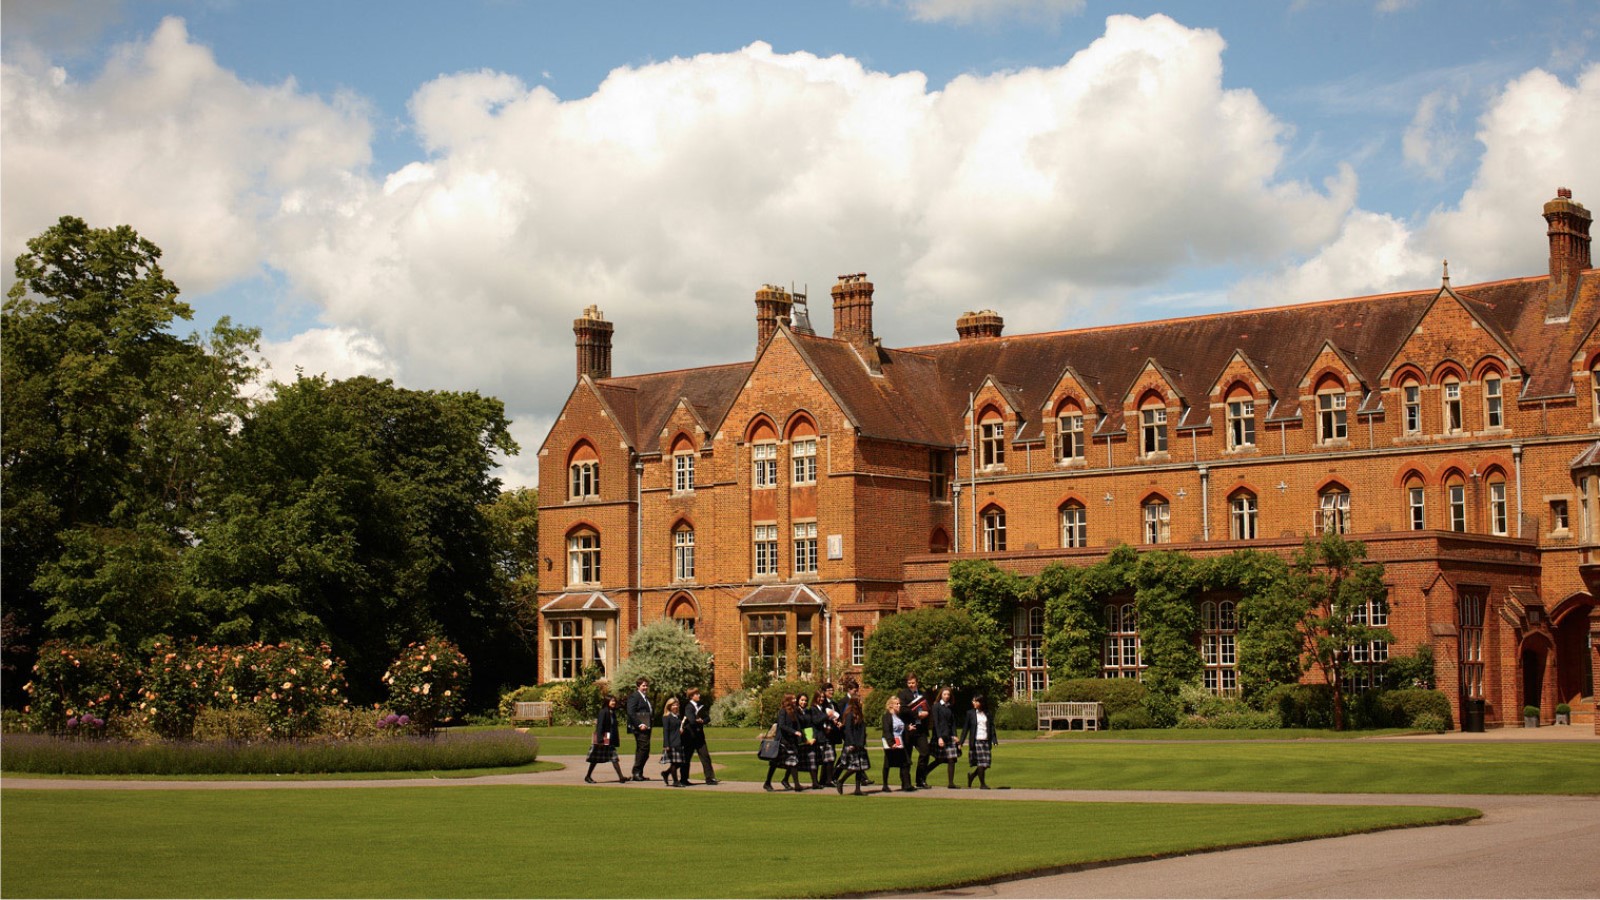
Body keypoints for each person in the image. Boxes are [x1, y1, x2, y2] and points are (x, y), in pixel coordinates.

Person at [898, 674, 934, 789]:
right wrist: (917, 714)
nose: (911, 685)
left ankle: (920, 780)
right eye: (909, 683)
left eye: (913, 683)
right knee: (906, 756)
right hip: (908, 728)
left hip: (920, 729)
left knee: (925, 752)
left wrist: (926, 713)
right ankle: (906, 782)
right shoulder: (903, 694)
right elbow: (902, 709)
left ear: (917, 682)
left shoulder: (923, 694)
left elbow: (928, 707)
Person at [764, 693, 805, 791]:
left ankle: (794, 783)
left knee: (793, 761)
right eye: (793, 699)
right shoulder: (783, 711)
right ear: (788, 701)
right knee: (775, 763)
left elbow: (799, 724)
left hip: (791, 741)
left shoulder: (795, 711)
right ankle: (768, 782)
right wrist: (794, 732)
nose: (795, 700)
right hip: (783, 741)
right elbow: (782, 725)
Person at [584, 693, 629, 784]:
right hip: (603, 739)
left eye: (614, 701)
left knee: (614, 758)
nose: (614, 702)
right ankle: (588, 776)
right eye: (612, 701)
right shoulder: (603, 712)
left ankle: (621, 777)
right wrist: (600, 740)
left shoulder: (612, 712)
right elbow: (599, 726)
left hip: (609, 739)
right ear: (607, 701)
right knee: (595, 759)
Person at [834, 690, 871, 795]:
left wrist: (862, 741)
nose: (861, 702)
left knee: (860, 768)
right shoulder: (850, 715)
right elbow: (848, 730)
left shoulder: (859, 714)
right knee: (854, 767)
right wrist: (851, 743)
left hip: (860, 744)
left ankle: (857, 789)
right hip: (853, 744)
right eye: (860, 700)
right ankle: (841, 781)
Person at [680, 686, 719, 785]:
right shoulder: (688, 707)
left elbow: (707, 718)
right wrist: (699, 721)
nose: (699, 695)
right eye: (697, 694)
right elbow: (692, 720)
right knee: (687, 758)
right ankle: (684, 779)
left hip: (700, 737)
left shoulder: (700, 705)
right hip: (689, 737)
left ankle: (709, 778)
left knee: (705, 757)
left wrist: (702, 720)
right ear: (692, 696)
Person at [958, 693, 998, 789]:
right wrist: (961, 742)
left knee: (986, 764)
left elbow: (991, 727)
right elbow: (965, 728)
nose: (974, 703)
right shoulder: (970, 713)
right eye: (973, 701)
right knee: (981, 763)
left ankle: (972, 776)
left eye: (976, 701)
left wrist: (994, 739)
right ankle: (982, 784)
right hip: (976, 741)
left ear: (981, 702)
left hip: (986, 740)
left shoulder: (987, 713)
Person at [879, 694, 914, 792]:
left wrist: (908, 727)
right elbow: (887, 730)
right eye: (896, 704)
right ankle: (885, 785)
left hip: (899, 741)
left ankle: (906, 784)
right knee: (887, 763)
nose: (899, 705)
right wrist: (891, 743)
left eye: (899, 704)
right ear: (891, 705)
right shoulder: (887, 716)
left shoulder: (898, 716)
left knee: (905, 762)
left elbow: (900, 726)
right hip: (891, 742)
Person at [930, 686, 961, 788]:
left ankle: (951, 783)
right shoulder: (936, 706)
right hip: (939, 736)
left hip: (949, 736)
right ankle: (922, 775)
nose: (947, 696)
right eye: (945, 694)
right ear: (941, 695)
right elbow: (936, 723)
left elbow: (952, 723)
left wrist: (955, 736)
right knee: (939, 760)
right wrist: (939, 737)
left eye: (948, 694)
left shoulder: (950, 707)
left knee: (952, 759)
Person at [625, 676, 653, 782]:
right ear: (638, 686)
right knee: (644, 749)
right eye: (643, 685)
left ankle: (639, 772)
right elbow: (631, 712)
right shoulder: (635, 696)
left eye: (646, 685)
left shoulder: (645, 697)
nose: (645, 687)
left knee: (642, 750)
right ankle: (636, 772)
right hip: (640, 727)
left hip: (647, 726)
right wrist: (639, 724)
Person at [814, 683, 841, 789]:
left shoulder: (834, 703)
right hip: (823, 734)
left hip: (832, 733)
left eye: (832, 689)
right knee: (824, 758)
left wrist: (838, 722)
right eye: (829, 690)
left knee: (830, 757)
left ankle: (826, 779)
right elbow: (819, 719)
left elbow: (837, 716)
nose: (831, 692)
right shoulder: (822, 705)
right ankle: (822, 780)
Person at [795, 691, 822, 789]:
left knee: (813, 760)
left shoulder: (808, 711)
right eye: (802, 700)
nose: (804, 702)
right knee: (796, 763)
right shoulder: (795, 712)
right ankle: (787, 780)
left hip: (811, 738)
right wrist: (805, 740)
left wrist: (814, 737)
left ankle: (815, 782)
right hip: (801, 740)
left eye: (805, 700)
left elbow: (812, 724)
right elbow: (797, 727)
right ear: (798, 701)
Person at [659, 697, 687, 786]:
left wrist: (682, 729)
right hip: (671, 742)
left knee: (679, 762)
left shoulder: (677, 716)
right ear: (669, 706)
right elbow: (665, 731)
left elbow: (678, 728)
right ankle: (675, 781)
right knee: (674, 763)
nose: (675, 706)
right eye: (673, 705)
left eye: (676, 705)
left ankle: (666, 773)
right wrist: (666, 745)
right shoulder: (666, 717)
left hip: (678, 741)